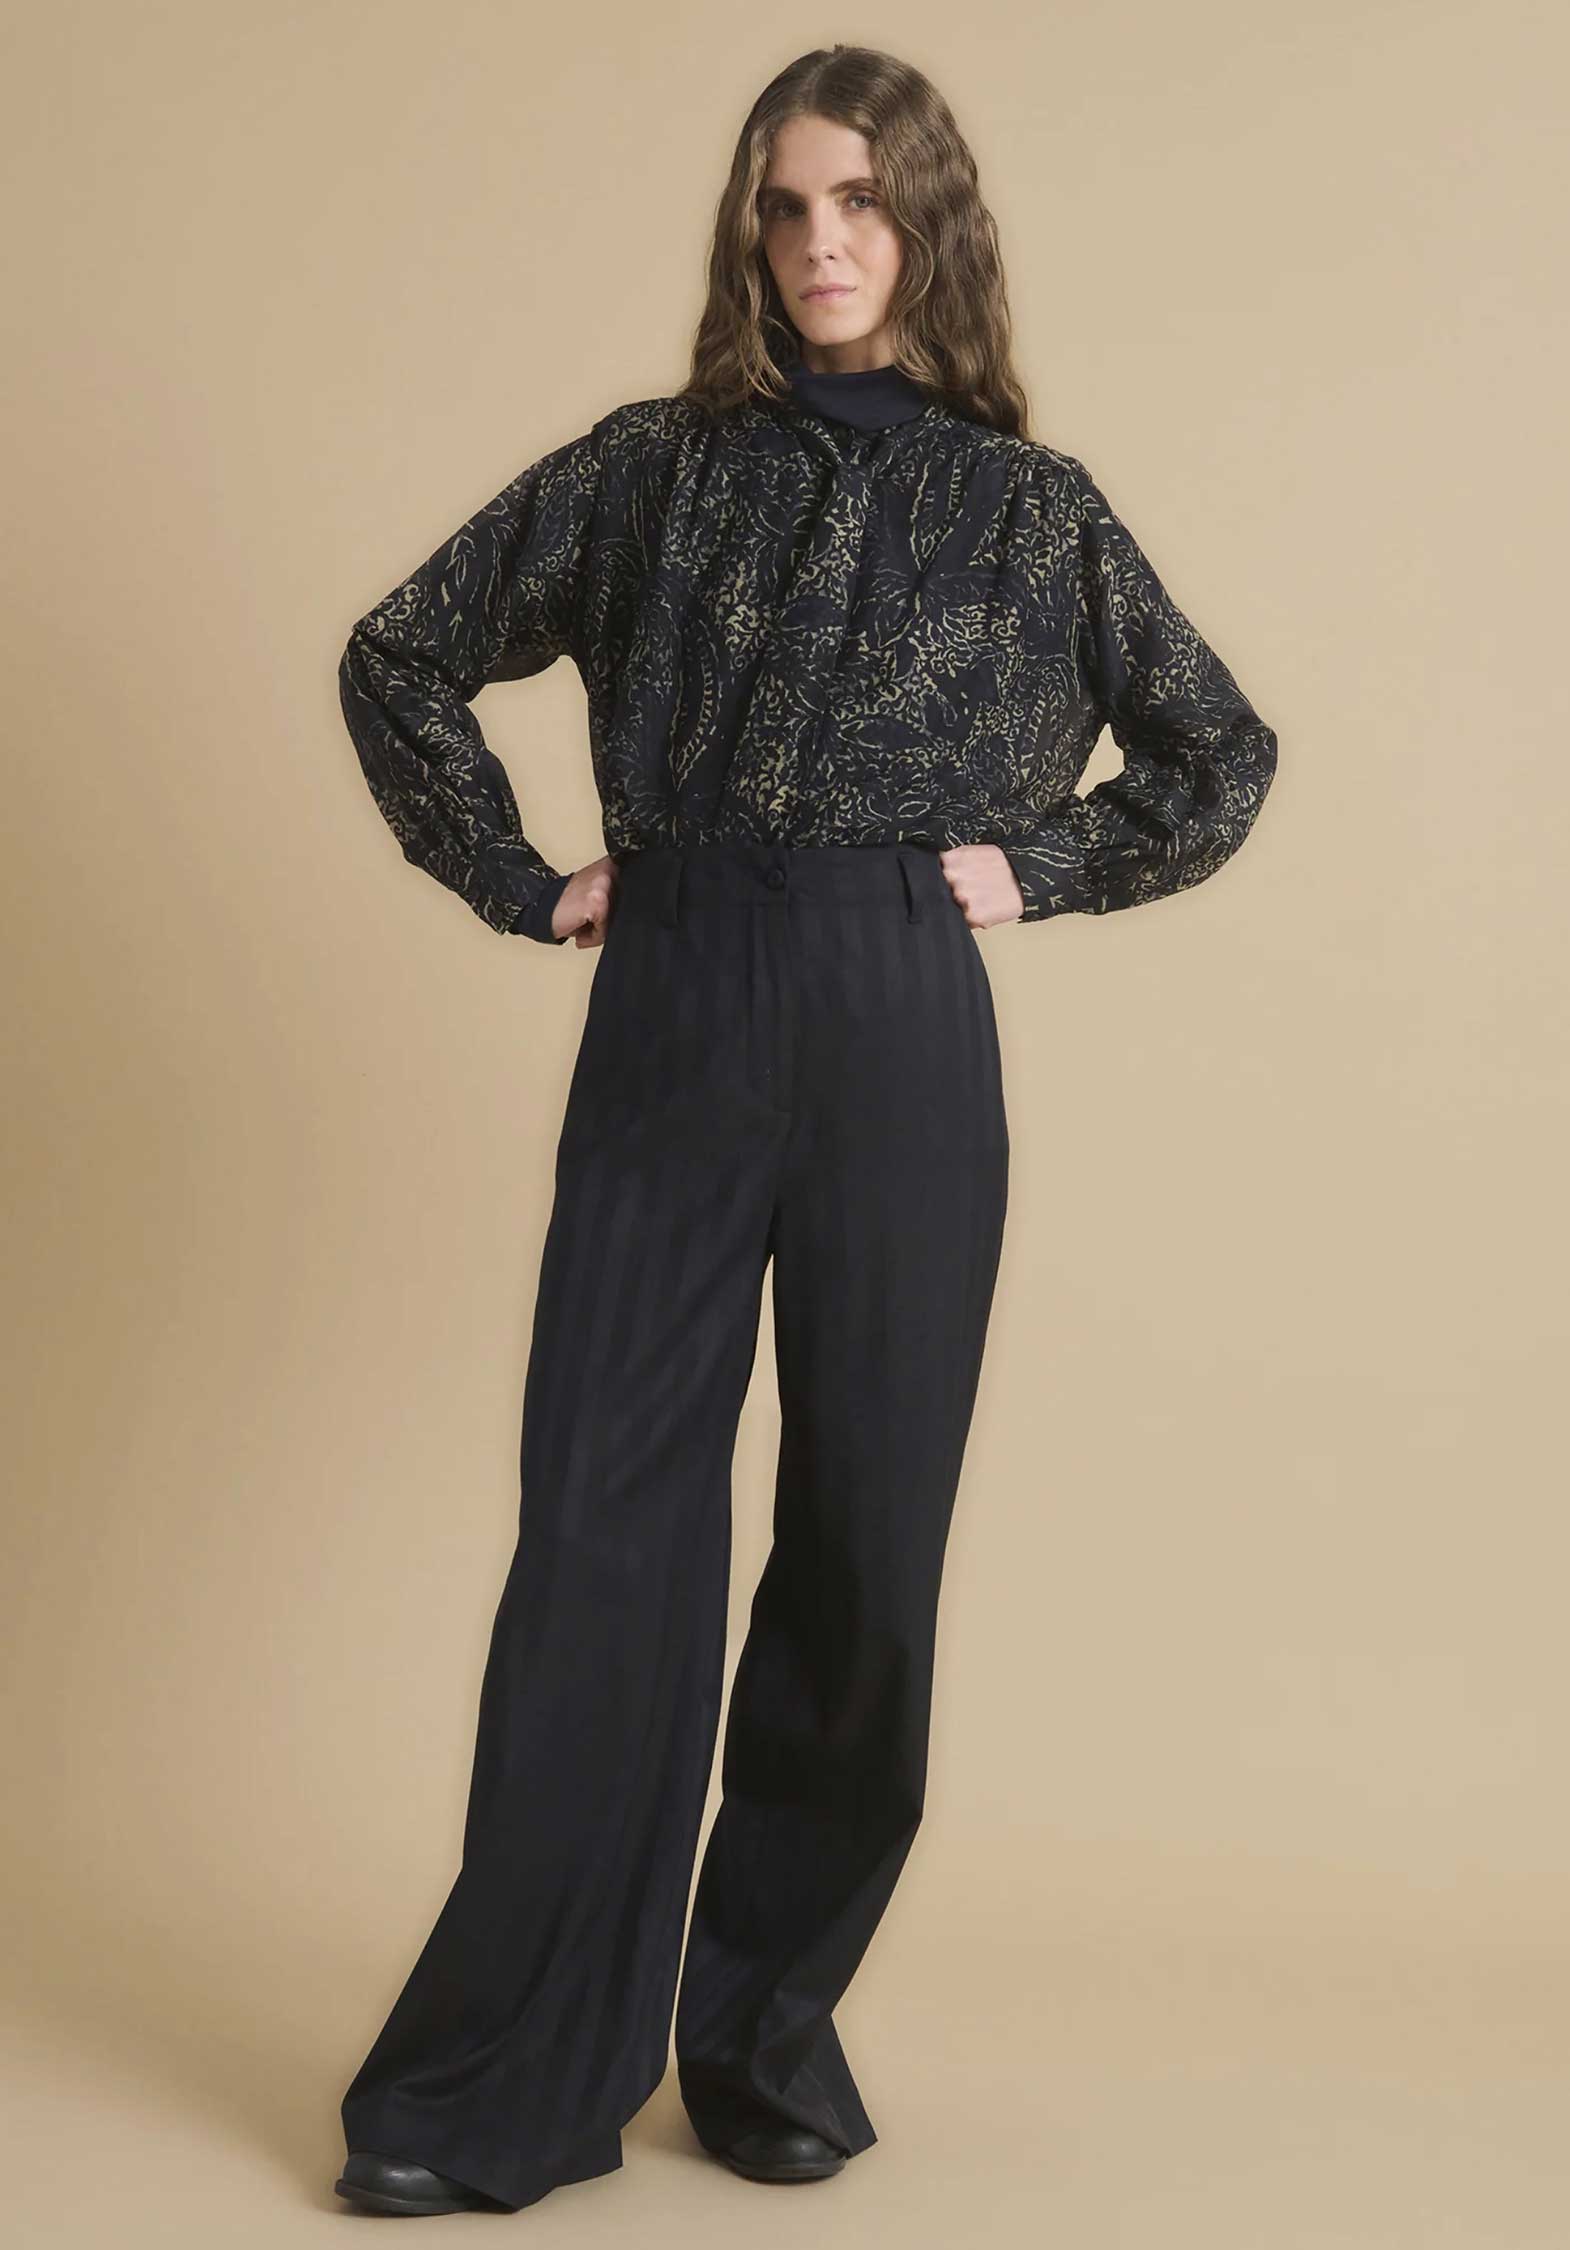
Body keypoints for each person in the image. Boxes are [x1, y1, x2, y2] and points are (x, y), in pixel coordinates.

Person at [330, 42, 1279, 2221]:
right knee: (599, 1538)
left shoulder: (1028, 508)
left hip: (894, 1019)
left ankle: (760, 2035)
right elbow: (403, 655)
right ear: (746, 231)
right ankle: (501, 2076)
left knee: (863, 1546)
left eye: (860, 201)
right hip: (675, 992)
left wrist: (1039, 868)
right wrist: (519, 877)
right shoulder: (648, 470)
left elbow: (1211, 753)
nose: (821, 241)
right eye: (785, 204)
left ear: (927, 223)